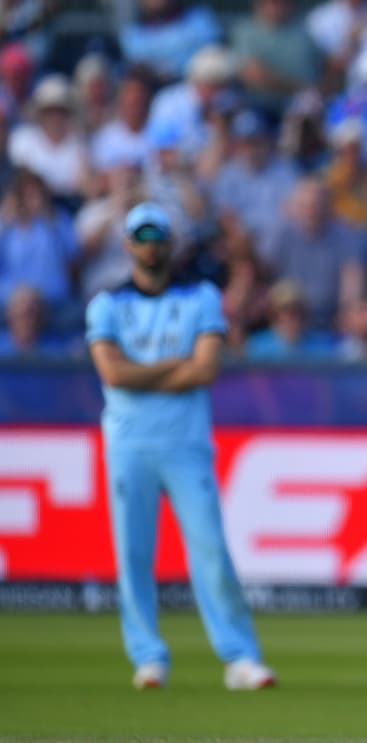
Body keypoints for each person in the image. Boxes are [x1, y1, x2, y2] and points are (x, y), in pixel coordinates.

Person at [85, 203, 276, 692]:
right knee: (133, 554)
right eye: (141, 236)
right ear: (127, 244)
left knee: (210, 550)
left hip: (186, 445)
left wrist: (139, 373)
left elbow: (205, 369)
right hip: (129, 445)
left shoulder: (201, 297)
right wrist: (175, 367)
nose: (150, 244)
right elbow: (112, 373)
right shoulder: (107, 304)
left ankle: (240, 657)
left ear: (169, 243)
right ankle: (148, 656)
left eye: (157, 235)